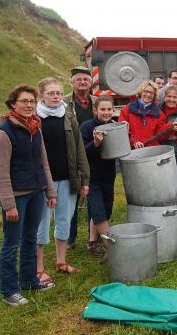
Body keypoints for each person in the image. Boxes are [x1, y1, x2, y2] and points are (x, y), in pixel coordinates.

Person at [0, 84, 57, 306]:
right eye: (24, 101)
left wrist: (50, 190)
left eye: (32, 101)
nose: (29, 105)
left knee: (30, 238)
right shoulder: (4, 133)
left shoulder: (35, 128)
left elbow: (44, 162)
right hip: (17, 196)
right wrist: (9, 204)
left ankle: (29, 281)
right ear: (13, 104)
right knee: (12, 242)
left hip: (36, 192)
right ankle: (9, 290)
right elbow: (0, 173)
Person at [35, 78, 89, 283]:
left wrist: (84, 178)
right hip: (43, 181)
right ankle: (39, 267)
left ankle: (60, 261)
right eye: (51, 93)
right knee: (41, 222)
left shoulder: (68, 117)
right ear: (42, 96)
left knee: (64, 220)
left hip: (68, 178)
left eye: (58, 93)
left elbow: (79, 148)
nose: (56, 96)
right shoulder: (34, 119)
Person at [63, 66, 97, 249]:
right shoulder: (64, 102)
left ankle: (93, 237)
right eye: (79, 79)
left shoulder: (97, 102)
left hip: (94, 153)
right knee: (73, 195)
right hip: (73, 154)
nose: (83, 82)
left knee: (93, 194)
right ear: (72, 83)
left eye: (86, 79)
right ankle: (69, 237)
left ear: (91, 83)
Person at [80, 95, 117, 261]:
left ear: (113, 110)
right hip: (91, 177)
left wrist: (124, 131)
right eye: (103, 109)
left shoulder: (114, 126)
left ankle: (92, 242)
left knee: (106, 210)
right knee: (98, 211)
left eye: (109, 109)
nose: (106, 112)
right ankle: (112, 248)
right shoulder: (87, 127)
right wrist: (95, 143)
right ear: (96, 110)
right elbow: (82, 152)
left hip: (109, 176)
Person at [118, 79, 176, 149]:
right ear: (141, 92)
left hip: (151, 151)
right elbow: (122, 131)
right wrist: (134, 141)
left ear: (154, 95)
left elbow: (159, 136)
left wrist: (170, 128)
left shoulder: (159, 113)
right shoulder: (126, 110)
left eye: (151, 93)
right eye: (146, 91)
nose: (148, 95)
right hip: (132, 150)